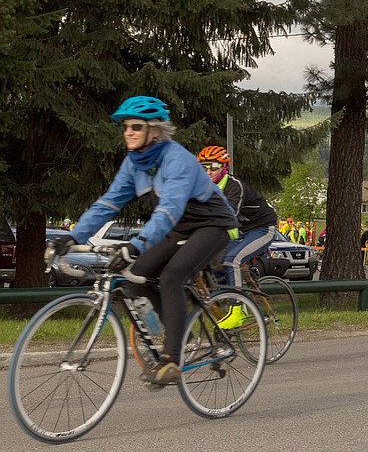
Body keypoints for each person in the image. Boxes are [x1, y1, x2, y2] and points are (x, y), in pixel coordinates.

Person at [45, 96, 239, 386]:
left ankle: (172, 358)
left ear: (156, 130)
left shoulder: (178, 160)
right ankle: (178, 329)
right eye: (125, 127)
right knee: (135, 275)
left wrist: (136, 244)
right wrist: (74, 235)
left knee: (172, 276)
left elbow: (168, 210)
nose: (128, 132)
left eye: (136, 126)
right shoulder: (135, 163)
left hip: (211, 224)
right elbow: (108, 204)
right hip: (177, 227)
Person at [196, 145, 279, 329]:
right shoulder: (203, 188)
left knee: (231, 260)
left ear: (224, 168)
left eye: (213, 167)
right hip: (241, 231)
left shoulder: (234, 187)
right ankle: (238, 294)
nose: (208, 171)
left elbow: (226, 218)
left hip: (262, 229)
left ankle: (237, 310)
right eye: (203, 167)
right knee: (210, 262)